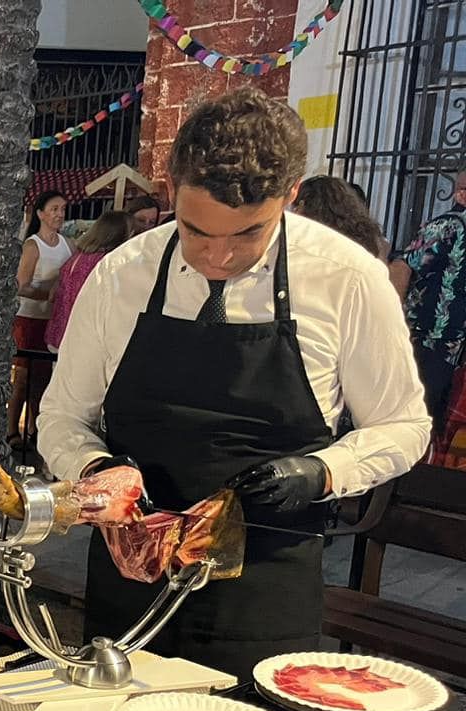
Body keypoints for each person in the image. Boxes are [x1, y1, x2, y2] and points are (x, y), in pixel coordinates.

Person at [38, 89, 431, 675]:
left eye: (247, 234)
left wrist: (323, 472)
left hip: (266, 581)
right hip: (130, 569)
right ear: (171, 191)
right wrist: (95, 469)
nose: (218, 257)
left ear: (290, 196)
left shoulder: (348, 279)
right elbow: (61, 417)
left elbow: (403, 426)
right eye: (196, 231)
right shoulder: (120, 276)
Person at [390, 168, 466, 428]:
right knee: (416, 416)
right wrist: (392, 322)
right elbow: (402, 266)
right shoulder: (447, 226)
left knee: (440, 422)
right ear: (460, 194)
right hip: (430, 340)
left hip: (454, 347)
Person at [10, 189, 72, 445]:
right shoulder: (33, 245)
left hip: (52, 320)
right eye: (54, 209)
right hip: (30, 318)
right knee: (24, 379)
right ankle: (12, 429)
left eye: (63, 209)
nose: (59, 214)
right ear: (41, 214)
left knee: (44, 378)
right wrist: (48, 294)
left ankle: (35, 429)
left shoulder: (68, 244)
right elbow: (21, 285)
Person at [45, 208, 136, 353]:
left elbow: (54, 294)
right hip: (86, 341)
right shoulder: (108, 263)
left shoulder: (78, 257)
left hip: (60, 334)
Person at [289, 176, 385, 259]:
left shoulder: (307, 242)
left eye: (294, 207)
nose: (293, 212)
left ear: (302, 206)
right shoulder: (367, 238)